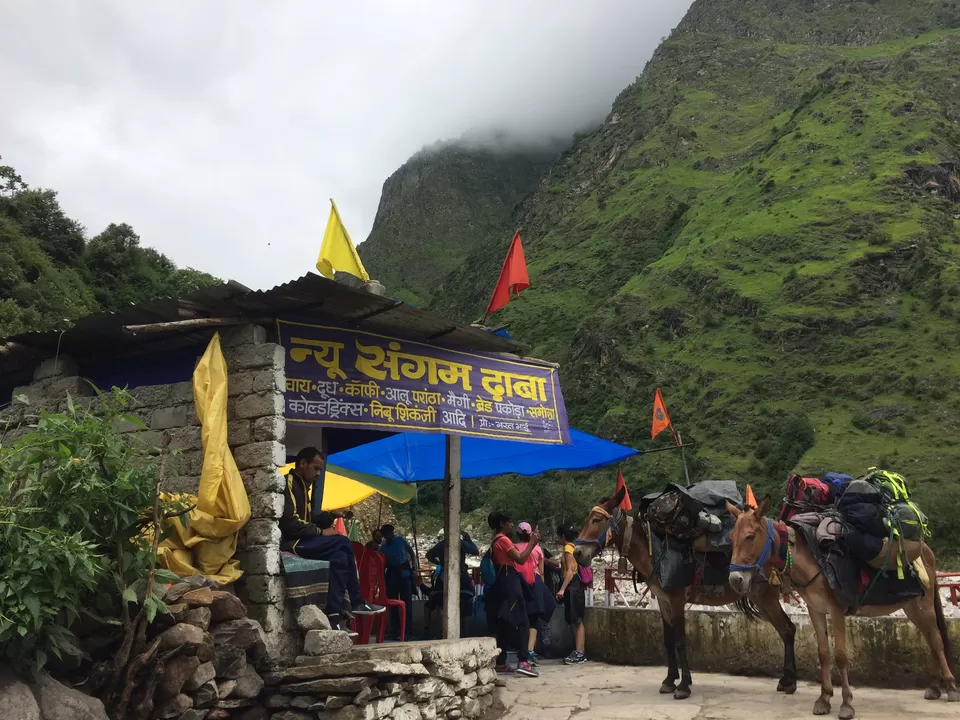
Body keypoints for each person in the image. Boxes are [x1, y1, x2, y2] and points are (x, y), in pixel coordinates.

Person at [279, 447, 384, 629]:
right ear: (302, 464)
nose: (318, 474)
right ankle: (357, 600)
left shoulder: (304, 487)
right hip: (293, 543)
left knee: (340, 557)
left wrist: (331, 516)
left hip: (304, 540)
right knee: (343, 542)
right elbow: (290, 523)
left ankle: (334, 616)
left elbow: (309, 520)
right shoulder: (288, 484)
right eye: (316, 468)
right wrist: (321, 532)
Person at [488, 510, 540, 677]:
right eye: (509, 521)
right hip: (510, 582)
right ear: (502, 524)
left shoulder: (494, 540)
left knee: (506, 623)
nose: (512, 524)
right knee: (523, 621)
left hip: (502, 582)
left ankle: (501, 661)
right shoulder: (503, 540)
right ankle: (523, 661)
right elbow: (521, 559)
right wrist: (532, 543)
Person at [515, 522, 557, 665]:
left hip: (519, 585)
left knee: (521, 619)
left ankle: (521, 650)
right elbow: (542, 572)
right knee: (534, 620)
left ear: (517, 534)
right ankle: (530, 650)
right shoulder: (538, 549)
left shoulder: (514, 548)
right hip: (535, 584)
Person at [425, 530, 480, 637]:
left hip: (444, 579)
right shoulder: (461, 543)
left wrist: (441, 564)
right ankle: (465, 635)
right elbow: (475, 551)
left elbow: (428, 555)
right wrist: (468, 539)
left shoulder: (441, 544)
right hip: (462, 577)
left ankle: (439, 632)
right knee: (467, 605)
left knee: (440, 604)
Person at [556, 524, 587, 665]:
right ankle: (578, 651)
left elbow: (570, 570)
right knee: (576, 621)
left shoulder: (568, 548)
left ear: (563, 536)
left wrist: (562, 589)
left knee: (577, 621)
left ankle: (580, 652)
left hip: (572, 587)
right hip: (577, 587)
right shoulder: (576, 547)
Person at [380, 524, 416, 640]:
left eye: (390, 533)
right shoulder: (383, 548)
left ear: (392, 532)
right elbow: (381, 564)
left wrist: (414, 568)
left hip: (405, 574)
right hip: (392, 576)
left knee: (407, 604)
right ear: (384, 536)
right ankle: (395, 631)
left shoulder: (400, 540)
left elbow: (411, 553)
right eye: (386, 534)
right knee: (392, 604)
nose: (389, 536)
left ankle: (408, 631)